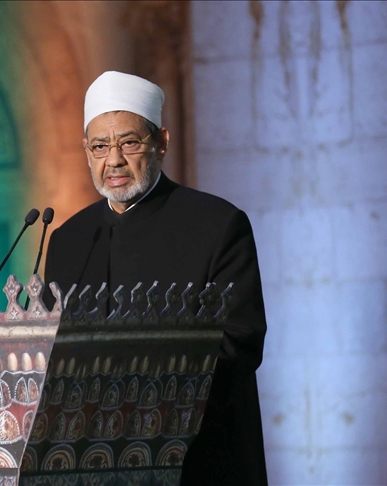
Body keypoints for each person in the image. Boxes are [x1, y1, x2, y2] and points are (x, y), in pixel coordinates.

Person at [43, 71, 268, 485]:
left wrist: (140, 399)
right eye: (100, 146)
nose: (114, 160)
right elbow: (48, 353)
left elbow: (239, 342)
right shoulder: (68, 241)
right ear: (86, 152)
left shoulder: (218, 225)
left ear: (161, 142)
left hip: (195, 461)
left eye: (129, 142)